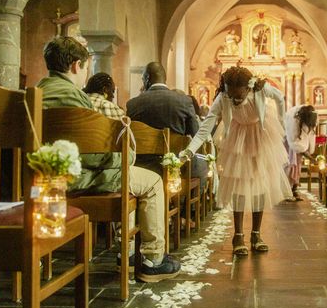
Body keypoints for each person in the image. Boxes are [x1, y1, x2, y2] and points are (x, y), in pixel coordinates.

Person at [37, 37, 179, 282]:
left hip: (38, 182)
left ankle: (132, 253)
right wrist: (126, 158)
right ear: (75, 66)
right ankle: (152, 260)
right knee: (153, 181)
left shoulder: (33, 94)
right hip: (76, 181)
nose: (85, 76)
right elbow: (92, 156)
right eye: (85, 67)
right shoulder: (76, 99)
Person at [178, 66, 292, 256]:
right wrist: (189, 151)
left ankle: (256, 234)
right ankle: (238, 235)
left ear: (248, 88)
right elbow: (205, 127)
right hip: (238, 137)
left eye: (239, 96)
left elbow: (280, 98)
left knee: (260, 184)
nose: (235, 100)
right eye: (232, 96)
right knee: (238, 186)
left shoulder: (260, 89)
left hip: (260, 134)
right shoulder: (223, 98)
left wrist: (280, 122)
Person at [126, 62, 207, 188]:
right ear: (165, 79)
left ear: (147, 79)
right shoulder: (184, 101)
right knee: (203, 164)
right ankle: (188, 205)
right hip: (177, 165)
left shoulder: (133, 104)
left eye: (143, 79)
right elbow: (195, 134)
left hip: (143, 165)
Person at [285, 104, 317, 201]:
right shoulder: (294, 120)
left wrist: (310, 151)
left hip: (298, 144)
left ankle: (294, 190)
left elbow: (310, 136)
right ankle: (287, 192)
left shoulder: (312, 119)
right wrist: (310, 157)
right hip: (289, 142)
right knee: (290, 166)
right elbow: (295, 143)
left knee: (297, 166)